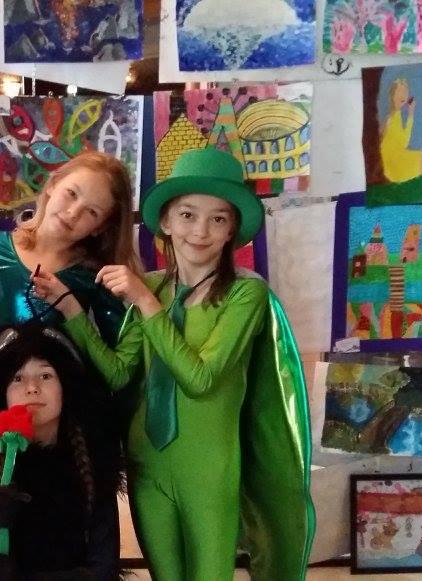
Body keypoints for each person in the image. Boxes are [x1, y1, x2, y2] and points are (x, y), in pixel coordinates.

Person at [34, 148, 314, 581]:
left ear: (232, 230)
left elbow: (201, 379)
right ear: (165, 221)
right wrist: (71, 310)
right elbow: (117, 372)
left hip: (209, 470)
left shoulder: (245, 295)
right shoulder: (151, 287)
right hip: (147, 463)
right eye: (187, 215)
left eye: (217, 219)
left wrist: (145, 302)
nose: (200, 231)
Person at [0, 324, 122, 580]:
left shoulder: (94, 463)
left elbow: (104, 569)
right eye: (17, 378)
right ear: (2, 392)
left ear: (66, 387)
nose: (32, 388)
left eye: (46, 376)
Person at [0, 151, 137, 347]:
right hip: (2, 366)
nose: (73, 213)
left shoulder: (95, 274)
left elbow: (124, 354)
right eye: (72, 193)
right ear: (52, 184)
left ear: (100, 227)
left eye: (92, 211)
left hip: (69, 368)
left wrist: (142, 298)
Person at [379, 78, 422, 183]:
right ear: (393, 95)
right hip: (394, 164)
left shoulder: (396, 115)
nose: (403, 95)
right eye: (400, 91)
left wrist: (411, 113)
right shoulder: (391, 118)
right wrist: (410, 114)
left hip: (398, 158)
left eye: (405, 92)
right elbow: (403, 143)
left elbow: (403, 142)